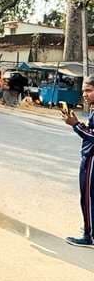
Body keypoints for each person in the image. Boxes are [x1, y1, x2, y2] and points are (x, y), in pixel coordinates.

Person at [63, 76, 94, 247]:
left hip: (91, 160)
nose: (85, 94)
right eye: (83, 90)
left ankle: (88, 236)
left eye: (89, 90)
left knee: (87, 198)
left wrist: (75, 125)